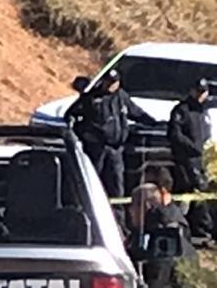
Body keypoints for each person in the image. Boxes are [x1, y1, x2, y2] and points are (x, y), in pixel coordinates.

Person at [67, 70, 160, 199]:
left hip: (116, 149)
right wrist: (84, 134)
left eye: (114, 82)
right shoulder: (91, 98)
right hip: (97, 149)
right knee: (94, 180)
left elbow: (136, 113)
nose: (111, 85)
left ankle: (118, 215)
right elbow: (71, 115)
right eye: (108, 82)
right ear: (103, 82)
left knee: (116, 184)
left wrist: (154, 123)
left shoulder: (121, 96)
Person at [168, 79, 214, 240]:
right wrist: (192, 147)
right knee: (186, 193)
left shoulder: (204, 112)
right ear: (192, 91)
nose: (201, 95)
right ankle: (183, 228)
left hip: (201, 159)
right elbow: (175, 135)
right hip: (185, 159)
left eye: (204, 92)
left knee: (200, 194)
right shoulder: (182, 110)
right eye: (198, 91)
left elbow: (207, 134)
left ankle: (200, 230)